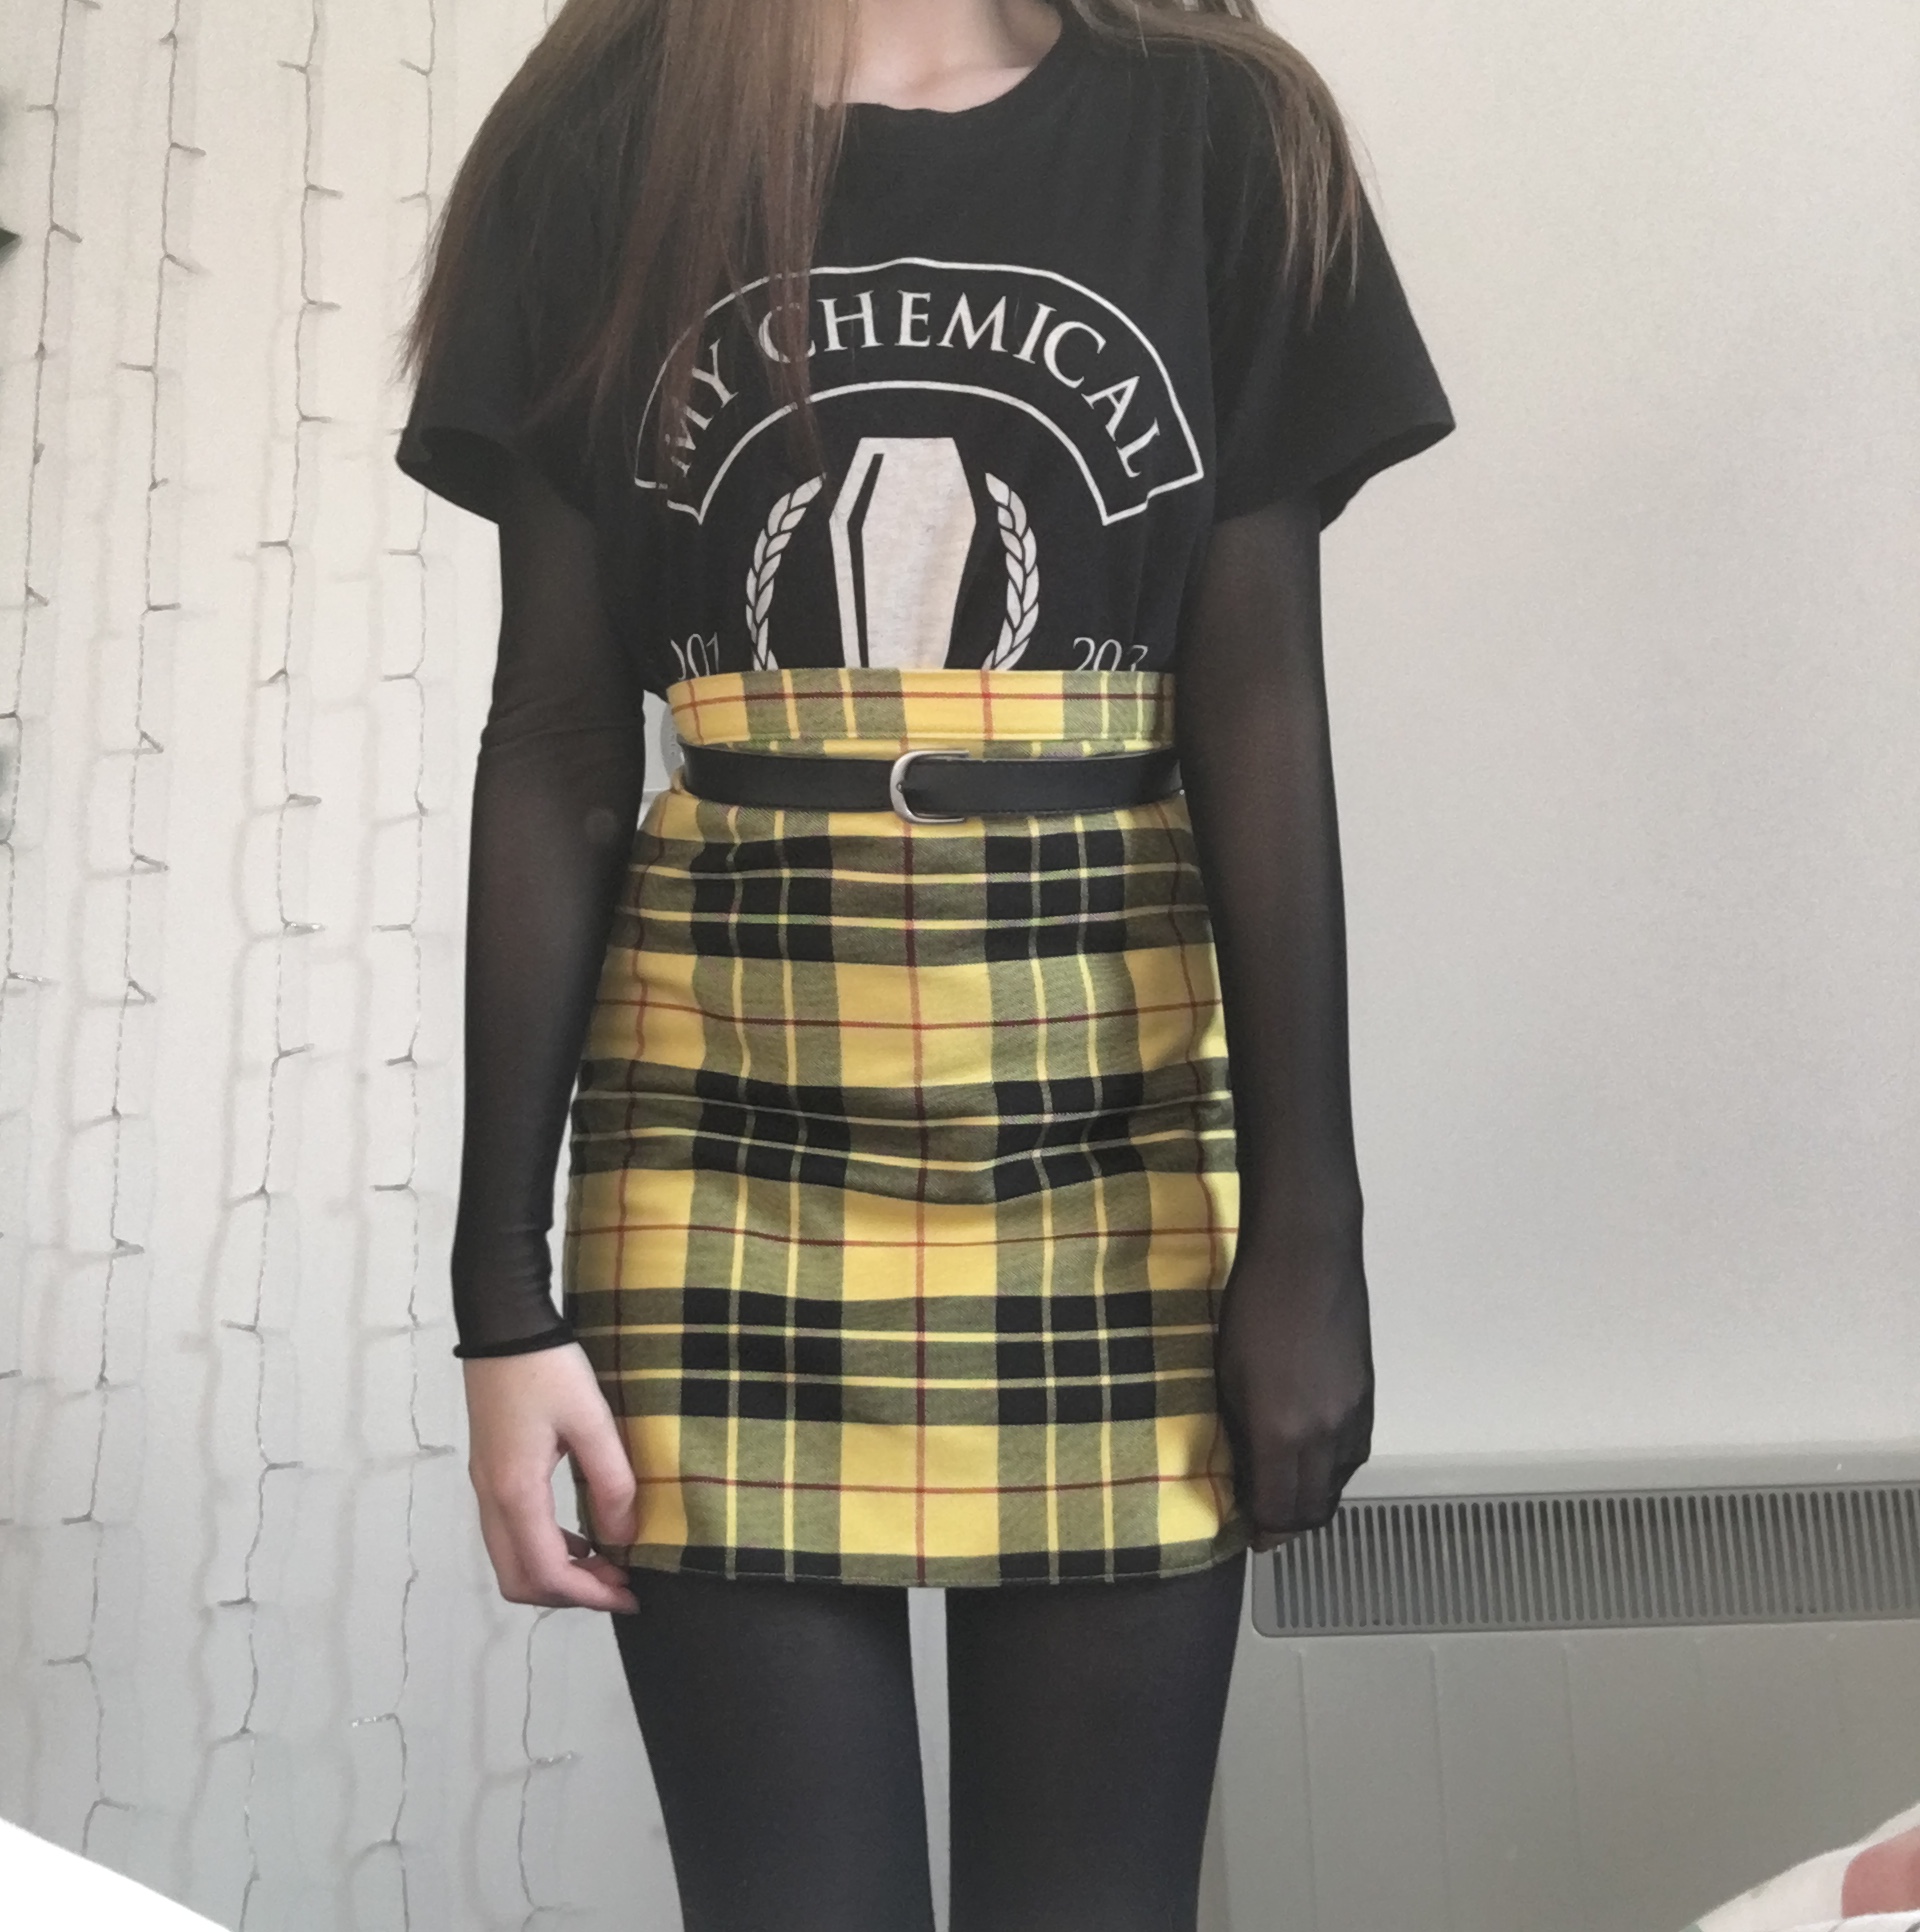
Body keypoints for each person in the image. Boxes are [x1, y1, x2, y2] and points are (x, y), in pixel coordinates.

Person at [394, 2, 1453, 1926]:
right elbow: (553, 741)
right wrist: (499, 1301)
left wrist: (1314, 1234)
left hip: (1116, 1155)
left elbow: (1260, 708)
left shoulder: (1227, 139)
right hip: (718, 1157)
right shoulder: (597, 147)